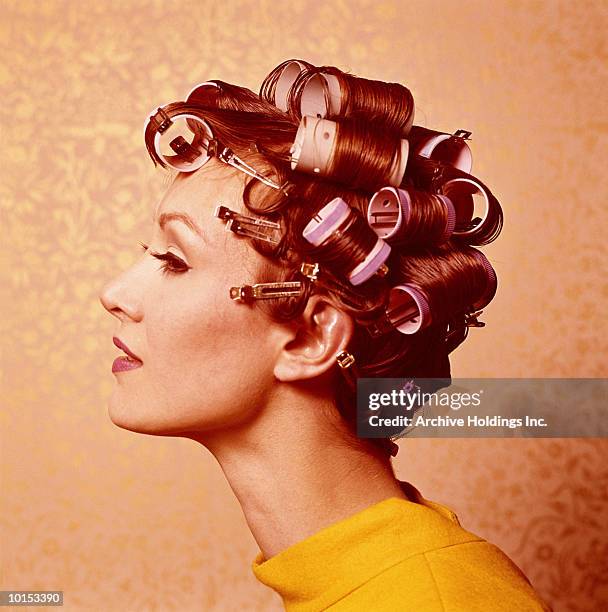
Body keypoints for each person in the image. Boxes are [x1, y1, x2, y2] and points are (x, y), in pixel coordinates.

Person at [99, 60, 552, 611]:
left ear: (311, 339)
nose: (115, 293)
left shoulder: (433, 600)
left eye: (174, 259)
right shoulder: (361, 584)